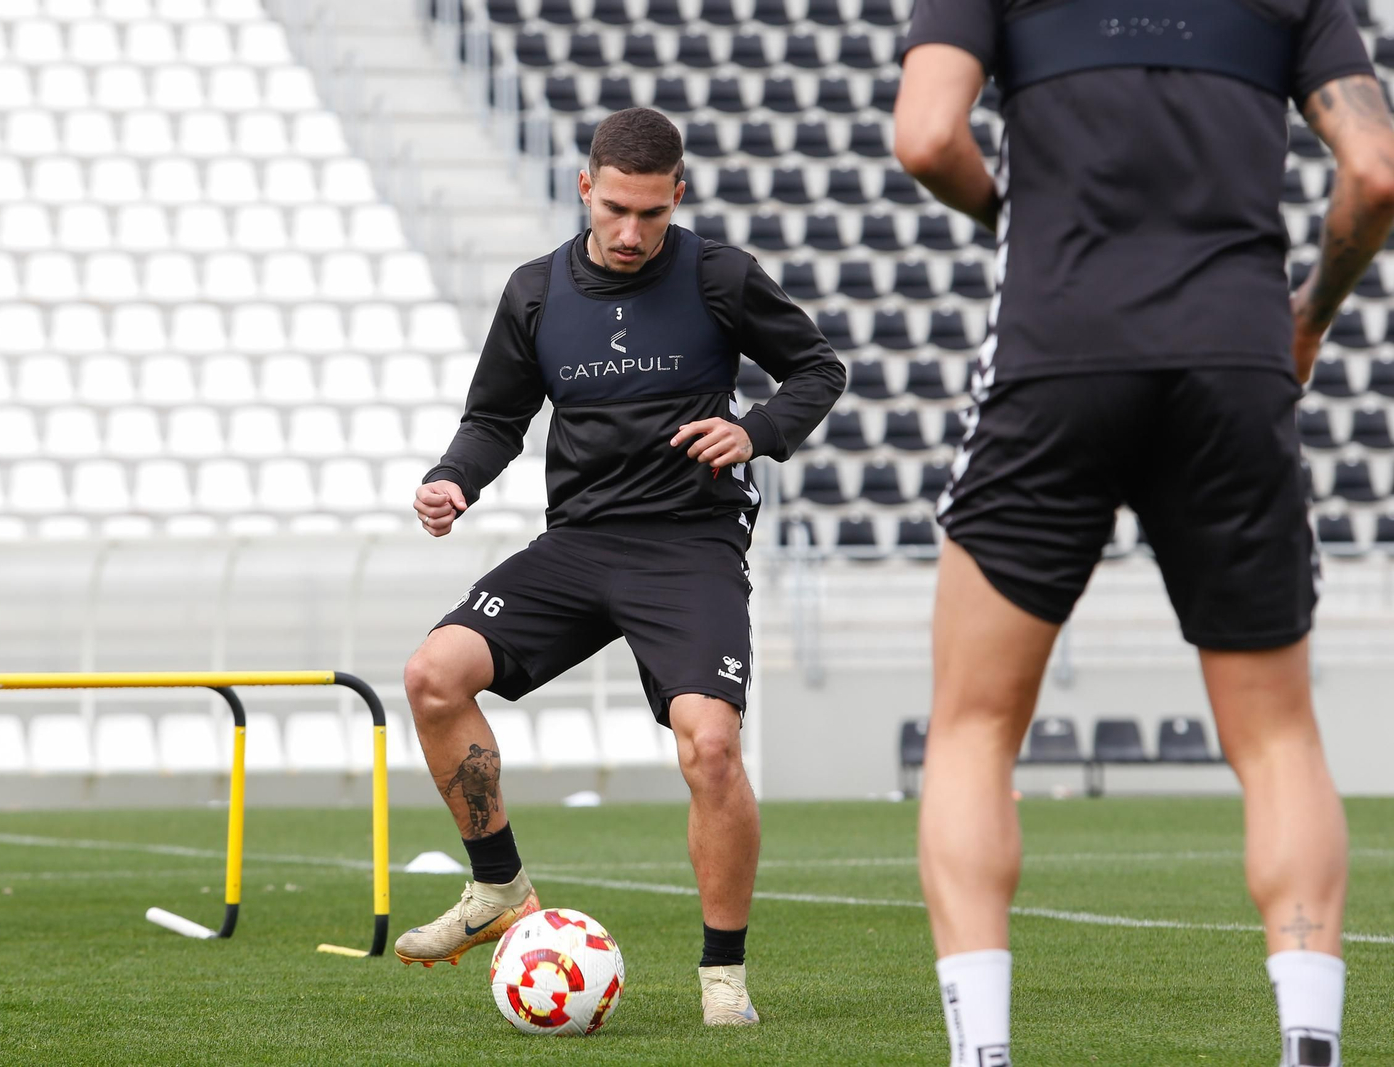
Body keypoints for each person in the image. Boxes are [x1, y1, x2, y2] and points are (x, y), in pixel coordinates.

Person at [894, 1, 1394, 1063]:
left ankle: (982, 1052)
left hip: (1056, 351)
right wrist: (1308, 314)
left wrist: (1016, 221)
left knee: (973, 728)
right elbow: (1376, 171)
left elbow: (927, 136)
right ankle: (1310, 1042)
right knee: (1278, 739)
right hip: (1235, 361)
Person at [396, 107, 845, 1025]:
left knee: (710, 745)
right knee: (433, 675)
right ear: (585, 189)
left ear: (677, 194)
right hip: (580, 542)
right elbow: (496, 419)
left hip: (690, 545)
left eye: (651, 212)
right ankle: (498, 886)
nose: (632, 231)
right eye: (614, 209)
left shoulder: (719, 275)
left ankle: (723, 975)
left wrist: (755, 430)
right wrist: (453, 479)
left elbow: (817, 368)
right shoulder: (535, 291)